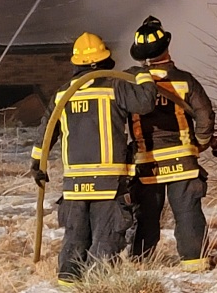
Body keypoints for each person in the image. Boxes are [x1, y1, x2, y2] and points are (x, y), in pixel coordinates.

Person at [28, 32, 157, 287]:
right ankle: (98, 286)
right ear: (103, 59)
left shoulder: (63, 94)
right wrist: (141, 73)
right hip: (108, 183)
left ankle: (67, 284)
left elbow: (45, 134)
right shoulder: (116, 86)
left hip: (74, 185)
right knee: (106, 239)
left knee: (74, 239)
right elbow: (146, 102)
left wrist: (37, 166)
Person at [127, 16, 217, 272]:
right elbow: (205, 115)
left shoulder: (129, 83)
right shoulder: (184, 80)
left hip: (147, 163)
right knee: (187, 212)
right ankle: (196, 263)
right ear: (166, 47)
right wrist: (199, 144)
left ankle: (139, 263)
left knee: (145, 216)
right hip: (183, 162)